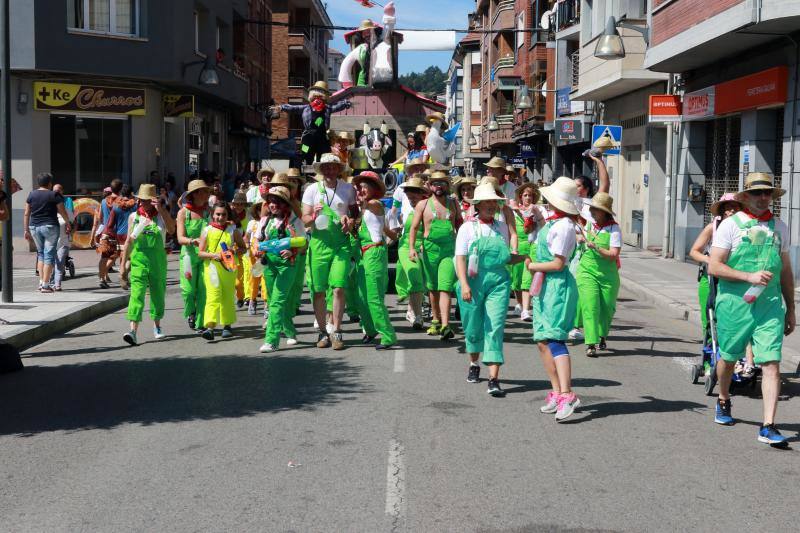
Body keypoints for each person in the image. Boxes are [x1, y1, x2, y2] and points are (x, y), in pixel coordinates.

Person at [708, 173, 795, 448]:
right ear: (745, 197)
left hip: (769, 306)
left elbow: (787, 270)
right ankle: (723, 398)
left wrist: (791, 308)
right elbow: (714, 267)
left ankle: (768, 425)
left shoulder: (779, 226)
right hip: (735, 303)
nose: (763, 197)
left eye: (767, 192)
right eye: (757, 193)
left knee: (771, 363)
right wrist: (748, 277)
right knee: (729, 358)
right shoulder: (730, 226)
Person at [456, 183, 525, 397]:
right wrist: (465, 284)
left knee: (494, 326)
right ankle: (474, 363)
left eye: (493, 201)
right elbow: (460, 258)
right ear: (477, 205)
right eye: (486, 202)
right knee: (473, 327)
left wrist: (525, 257)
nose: (490, 205)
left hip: (498, 283)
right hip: (472, 282)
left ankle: (494, 378)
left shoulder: (502, 228)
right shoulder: (467, 227)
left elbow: (506, 258)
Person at [527, 177, 581, 421]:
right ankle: (557, 391)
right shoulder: (554, 222)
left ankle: (567, 394)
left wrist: (533, 265)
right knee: (542, 340)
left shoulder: (565, 226)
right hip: (544, 285)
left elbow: (558, 263)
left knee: (555, 339)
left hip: (556, 286)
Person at [688, 193, 755, 373]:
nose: (731, 210)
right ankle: (711, 363)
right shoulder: (713, 227)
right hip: (711, 280)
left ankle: (743, 362)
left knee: (742, 320)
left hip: (736, 280)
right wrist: (711, 261)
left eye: (735, 206)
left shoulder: (747, 227)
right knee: (711, 322)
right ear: (722, 210)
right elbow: (694, 252)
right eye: (728, 206)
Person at [301, 153, 357, 350]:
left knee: (339, 287)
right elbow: (305, 220)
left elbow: (355, 216)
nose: (330, 170)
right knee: (318, 291)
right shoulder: (311, 190)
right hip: (319, 245)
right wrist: (314, 214)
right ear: (321, 170)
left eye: (333, 167)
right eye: (326, 167)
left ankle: (337, 331)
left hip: (340, 244)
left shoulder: (348, 189)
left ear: (339, 169)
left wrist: (349, 222)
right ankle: (323, 332)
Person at [409, 170, 463, 341]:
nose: (438, 186)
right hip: (429, 250)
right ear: (430, 186)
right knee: (432, 287)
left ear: (448, 185)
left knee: (445, 286)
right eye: (435, 183)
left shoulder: (453, 203)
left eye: (442, 183)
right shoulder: (423, 205)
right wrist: (412, 248)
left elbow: (460, 225)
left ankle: (446, 325)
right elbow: (414, 228)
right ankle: (436, 320)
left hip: (449, 250)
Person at [119, 184, 176, 345]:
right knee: (136, 295)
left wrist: (162, 210)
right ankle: (133, 331)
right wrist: (123, 266)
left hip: (158, 262)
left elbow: (172, 230)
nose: (143, 203)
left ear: (154, 201)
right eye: (141, 200)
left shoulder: (161, 217)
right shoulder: (134, 217)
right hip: (138, 261)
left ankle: (157, 326)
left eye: (146, 200)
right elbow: (129, 242)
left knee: (158, 294)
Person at [352, 171, 398, 349]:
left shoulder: (374, 203)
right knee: (361, 298)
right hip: (365, 255)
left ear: (374, 189)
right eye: (359, 187)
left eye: (366, 186)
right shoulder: (364, 209)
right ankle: (370, 330)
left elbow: (374, 207)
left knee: (373, 298)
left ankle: (387, 336)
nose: (361, 189)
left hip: (374, 254)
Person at [259, 186, 307, 352]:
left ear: (285, 204)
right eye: (271, 201)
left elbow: (304, 243)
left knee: (277, 302)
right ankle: (290, 331)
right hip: (269, 265)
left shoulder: (295, 221)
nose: (273, 205)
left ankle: (271, 340)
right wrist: (258, 250)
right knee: (275, 301)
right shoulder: (266, 221)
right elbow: (258, 242)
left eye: (277, 201)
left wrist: (292, 249)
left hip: (288, 265)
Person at [568, 152, 611, 340]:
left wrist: (599, 161)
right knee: (573, 288)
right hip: (571, 250)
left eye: (578, 186)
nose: (574, 188)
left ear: (585, 189)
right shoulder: (567, 203)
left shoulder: (591, 205)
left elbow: (605, 185)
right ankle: (574, 324)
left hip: (587, 252)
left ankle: (577, 326)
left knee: (580, 289)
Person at [575, 193, 621, 357]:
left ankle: (602, 335)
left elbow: (614, 254)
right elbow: (575, 234)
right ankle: (590, 343)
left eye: (597, 209)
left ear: (605, 212)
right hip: (587, 271)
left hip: (608, 274)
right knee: (590, 306)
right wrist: (579, 237)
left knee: (607, 308)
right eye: (592, 208)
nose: (593, 211)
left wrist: (597, 248)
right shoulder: (587, 224)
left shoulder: (614, 229)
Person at [198, 201, 246, 341]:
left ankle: (227, 325)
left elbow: (243, 248)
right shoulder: (207, 230)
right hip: (212, 267)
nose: (220, 217)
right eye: (218, 214)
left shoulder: (233, 230)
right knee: (213, 295)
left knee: (227, 296)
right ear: (213, 215)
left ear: (228, 215)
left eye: (223, 214)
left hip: (229, 268)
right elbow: (200, 253)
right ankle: (210, 327)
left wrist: (233, 251)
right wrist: (215, 255)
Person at [23, 173, 72, 293]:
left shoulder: (31, 194)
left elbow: (26, 213)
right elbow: (62, 211)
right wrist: (68, 222)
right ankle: (45, 285)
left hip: (34, 226)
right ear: (50, 183)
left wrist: (26, 230)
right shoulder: (54, 194)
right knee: (49, 254)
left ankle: (41, 282)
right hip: (50, 226)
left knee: (40, 254)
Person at [176, 180, 211, 330]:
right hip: (189, 257)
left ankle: (201, 322)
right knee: (189, 291)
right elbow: (180, 238)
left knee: (203, 291)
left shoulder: (209, 211)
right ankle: (191, 312)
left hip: (206, 256)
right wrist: (192, 241)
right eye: (203, 191)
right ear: (195, 194)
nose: (207, 194)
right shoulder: (183, 212)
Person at [510, 183, 545, 321]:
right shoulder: (514, 210)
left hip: (531, 247)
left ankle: (526, 308)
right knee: (516, 278)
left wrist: (536, 213)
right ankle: (520, 303)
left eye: (530, 195)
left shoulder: (538, 210)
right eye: (525, 195)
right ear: (520, 197)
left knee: (527, 278)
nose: (528, 198)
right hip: (517, 246)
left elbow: (542, 227)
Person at [244, 199, 268, 316]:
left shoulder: (270, 222)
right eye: (259, 209)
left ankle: (266, 303)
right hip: (254, 256)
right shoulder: (252, 223)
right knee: (253, 280)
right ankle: (252, 300)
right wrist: (249, 247)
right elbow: (247, 237)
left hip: (266, 255)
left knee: (265, 280)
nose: (262, 211)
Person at [112, 185, 137, 290]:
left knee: (123, 255)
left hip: (119, 233)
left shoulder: (116, 205)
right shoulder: (135, 205)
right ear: (131, 193)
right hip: (131, 232)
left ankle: (125, 278)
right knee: (132, 257)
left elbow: (112, 221)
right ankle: (124, 273)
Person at [50, 184, 73, 291]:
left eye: (59, 191)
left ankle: (57, 284)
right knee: (51, 262)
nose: (57, 194)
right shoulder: (48, 211)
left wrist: (71, 230)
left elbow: (74, 223)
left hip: (63, 242)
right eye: (55, 192)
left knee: (59, 262)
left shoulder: (67, 211)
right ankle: (49, 282)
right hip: (50, 242)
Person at [230, 191, 251, 308]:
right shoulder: (228, 215)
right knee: (235, 278)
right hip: (232, 249)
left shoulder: (249, 215)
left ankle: (247, 297)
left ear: (245, 205)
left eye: (241, 204)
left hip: (246, 246)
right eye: (236, 204)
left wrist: (246, 241)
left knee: (247, 272)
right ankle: (240, 295)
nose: (238, 206)